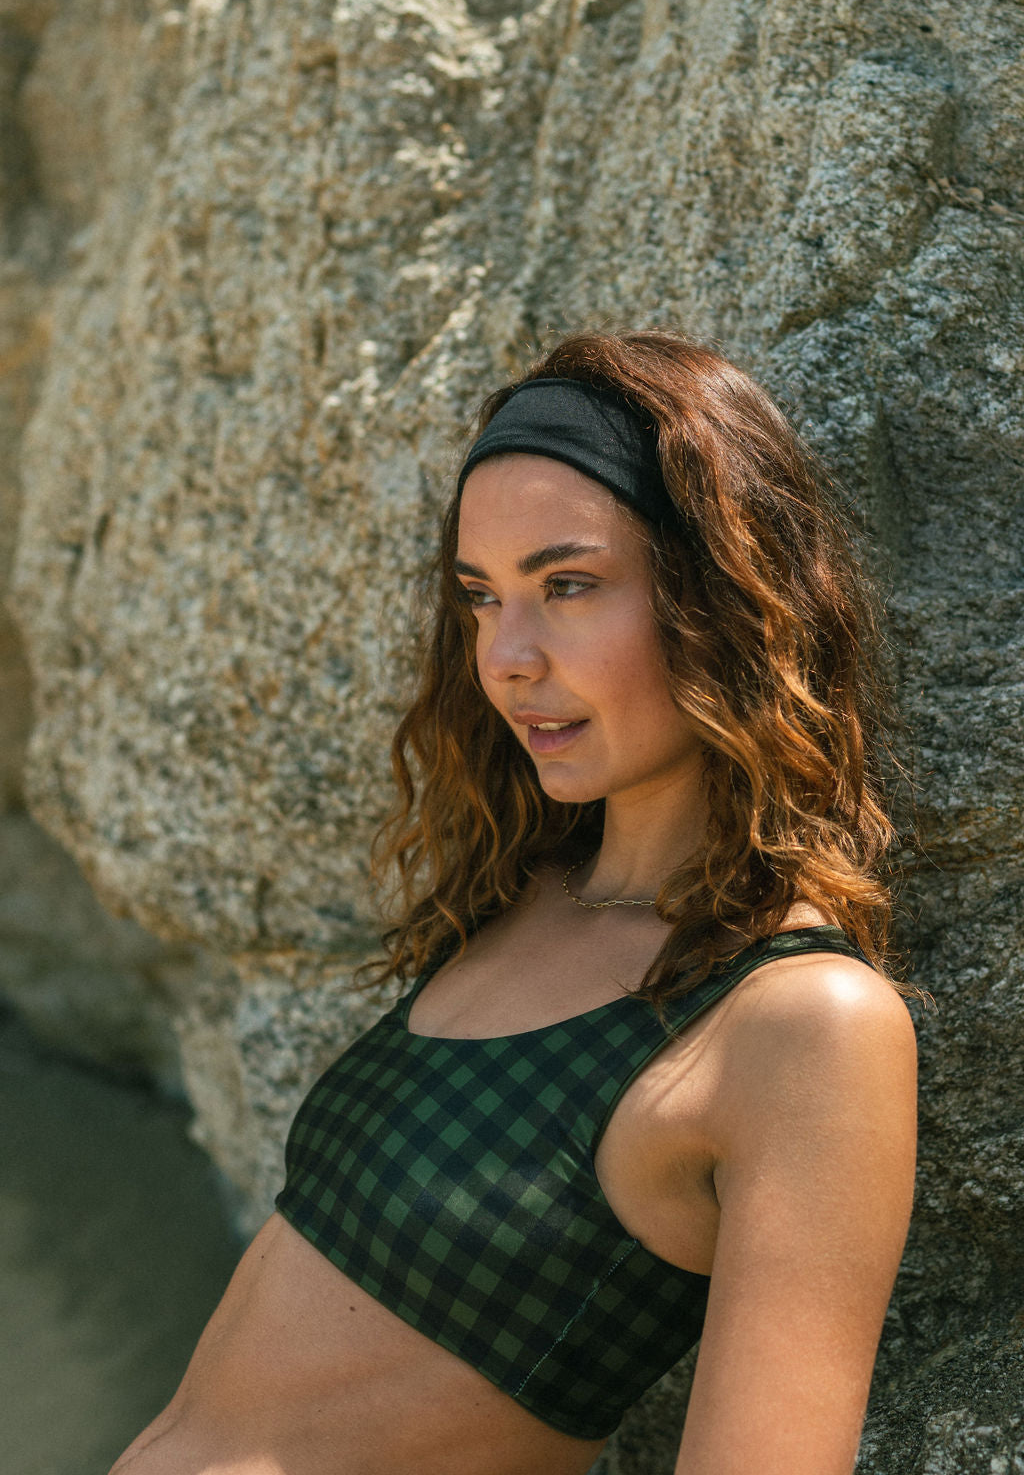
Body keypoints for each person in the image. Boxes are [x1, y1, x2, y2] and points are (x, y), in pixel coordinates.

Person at [109, 329, 919, 1475]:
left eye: (568, 586)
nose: (508, 657)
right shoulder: (523, 895)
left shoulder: (801, 1026)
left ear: (722, 596)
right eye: (482, 598)